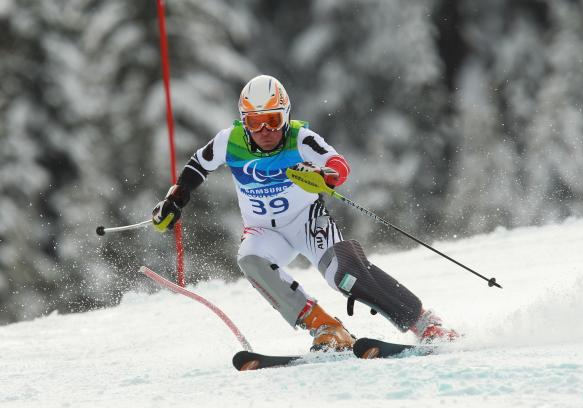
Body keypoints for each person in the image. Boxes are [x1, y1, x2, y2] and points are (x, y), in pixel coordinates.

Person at [152, 75, 456, 351]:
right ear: (244, 121)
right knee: (250, 260)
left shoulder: (299, 138)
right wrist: (176, 199)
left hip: (308, 223)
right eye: (255, 122)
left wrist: (325, 175)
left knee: (345, 276)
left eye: (272, 120)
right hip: (264, 231)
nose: (265, 130)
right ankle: (326, 328)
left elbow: (339, 164)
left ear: (285, 116)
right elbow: (197, 166)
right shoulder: (228, 141)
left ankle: (424, 323)